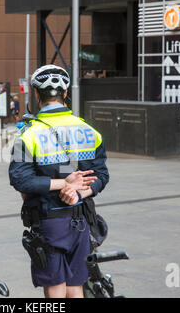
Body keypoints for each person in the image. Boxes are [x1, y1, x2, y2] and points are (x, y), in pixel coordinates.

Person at [8, 64, 110, 298]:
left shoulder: (27, 134)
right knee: (76, 287)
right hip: (81, 220)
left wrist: (62, 184)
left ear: (36, 94)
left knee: (55, 288)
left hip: (49, 222)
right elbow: (102, 175)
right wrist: (79, 193)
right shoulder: (89, 130)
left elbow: (20, 180)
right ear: (65, 93)